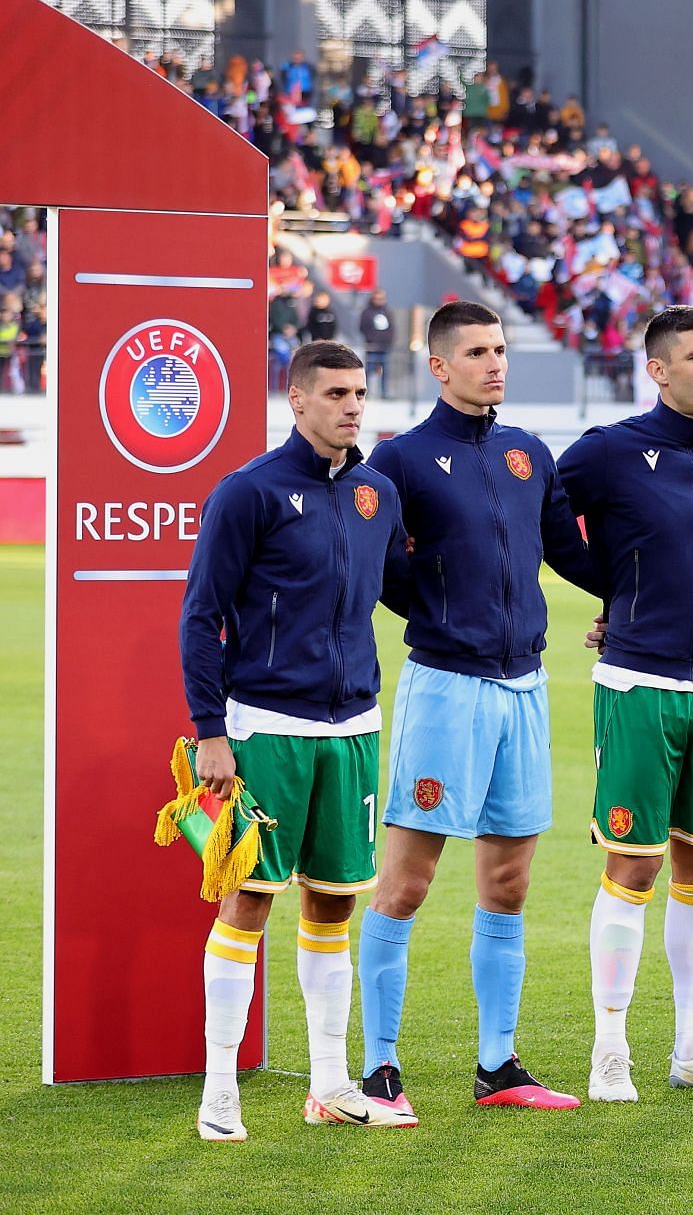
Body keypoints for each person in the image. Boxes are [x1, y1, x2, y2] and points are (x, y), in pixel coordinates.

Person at [354, 302, 604, 1118]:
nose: (494, 363)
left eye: (500, 349)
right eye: (476, 352)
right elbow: (378, 564)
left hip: (524, 689)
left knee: (509, 879)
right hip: (445, 690)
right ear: (438, 365)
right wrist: (437, 611)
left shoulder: (527, 452)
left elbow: (570, 554)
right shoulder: (400, 458)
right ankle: (379, 1068)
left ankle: (498, 1067)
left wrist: (634, 601)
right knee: (408, 881)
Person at [179, 342, 413, 1141]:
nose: (353, 407)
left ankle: (329, 1083)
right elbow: (199, 616)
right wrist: (210, 730)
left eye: (360, 392)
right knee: (248, 904)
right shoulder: (248, 492)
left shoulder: (378, 492)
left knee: (334, 903)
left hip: (354, 729)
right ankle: (218, 1091)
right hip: (267, 729)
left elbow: (408, 594)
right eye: (337, 394)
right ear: (296, 400)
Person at [559, 305, 693, 1094]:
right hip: (639, 682)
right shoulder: (609, 452)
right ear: (658, 369)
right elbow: (548, 518)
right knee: (634, 860)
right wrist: (617, 588)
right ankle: (610, 1047)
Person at [359, 289, 396, 398]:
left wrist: (389, 340)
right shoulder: (367, 312)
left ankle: (384, 392)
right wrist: (371, 340)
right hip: (372, 347)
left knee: (385, 371)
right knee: (369, 370)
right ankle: (366, 392)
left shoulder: (387, 311)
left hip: (384, 346)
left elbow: (392, 328)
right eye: (377, 298)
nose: (379, 300)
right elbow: (362, 327)